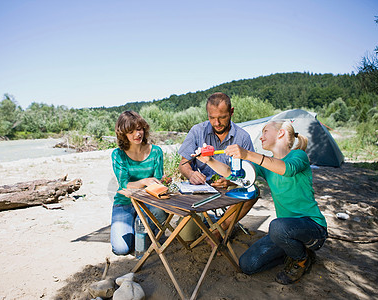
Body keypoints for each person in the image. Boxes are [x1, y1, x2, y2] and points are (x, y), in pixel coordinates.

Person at [193, 120, 328, 285]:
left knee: (277, 226)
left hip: (312, 228)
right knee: (247, 265)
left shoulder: (298, 156)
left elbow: (287, 169)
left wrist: (248, 154)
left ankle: (301, 259)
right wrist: (209, 161)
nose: (261, 137)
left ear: (281, 133)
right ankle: (291, 251)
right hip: (284, 232)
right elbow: (235, 175)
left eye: (265, 131)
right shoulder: (266, 165)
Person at [178, 92, 257, 223]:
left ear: (231, 112)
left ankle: (221, 228)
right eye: (212, 117)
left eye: (222, 117)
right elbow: (183, 164)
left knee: (252, 192)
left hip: (230, 189)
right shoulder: (197, 131)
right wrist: (191, 174)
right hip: (201, 189)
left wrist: (230, 181)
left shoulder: (243, 137)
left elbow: (250, 175)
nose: (217, 123)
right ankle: (215, 226)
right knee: (186, 236)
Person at [111, 110, 168, 256]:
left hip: (148, 201)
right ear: (123, 134)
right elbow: (124, 185)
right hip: (124, 202)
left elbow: (158, 182)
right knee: (121, 249)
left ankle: (143, 226)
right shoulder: (118, 155)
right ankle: (139, 225)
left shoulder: (156, 152)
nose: (137, 134)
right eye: (131, 131)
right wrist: (144, 181)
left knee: (142, 237)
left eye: (139, 129)